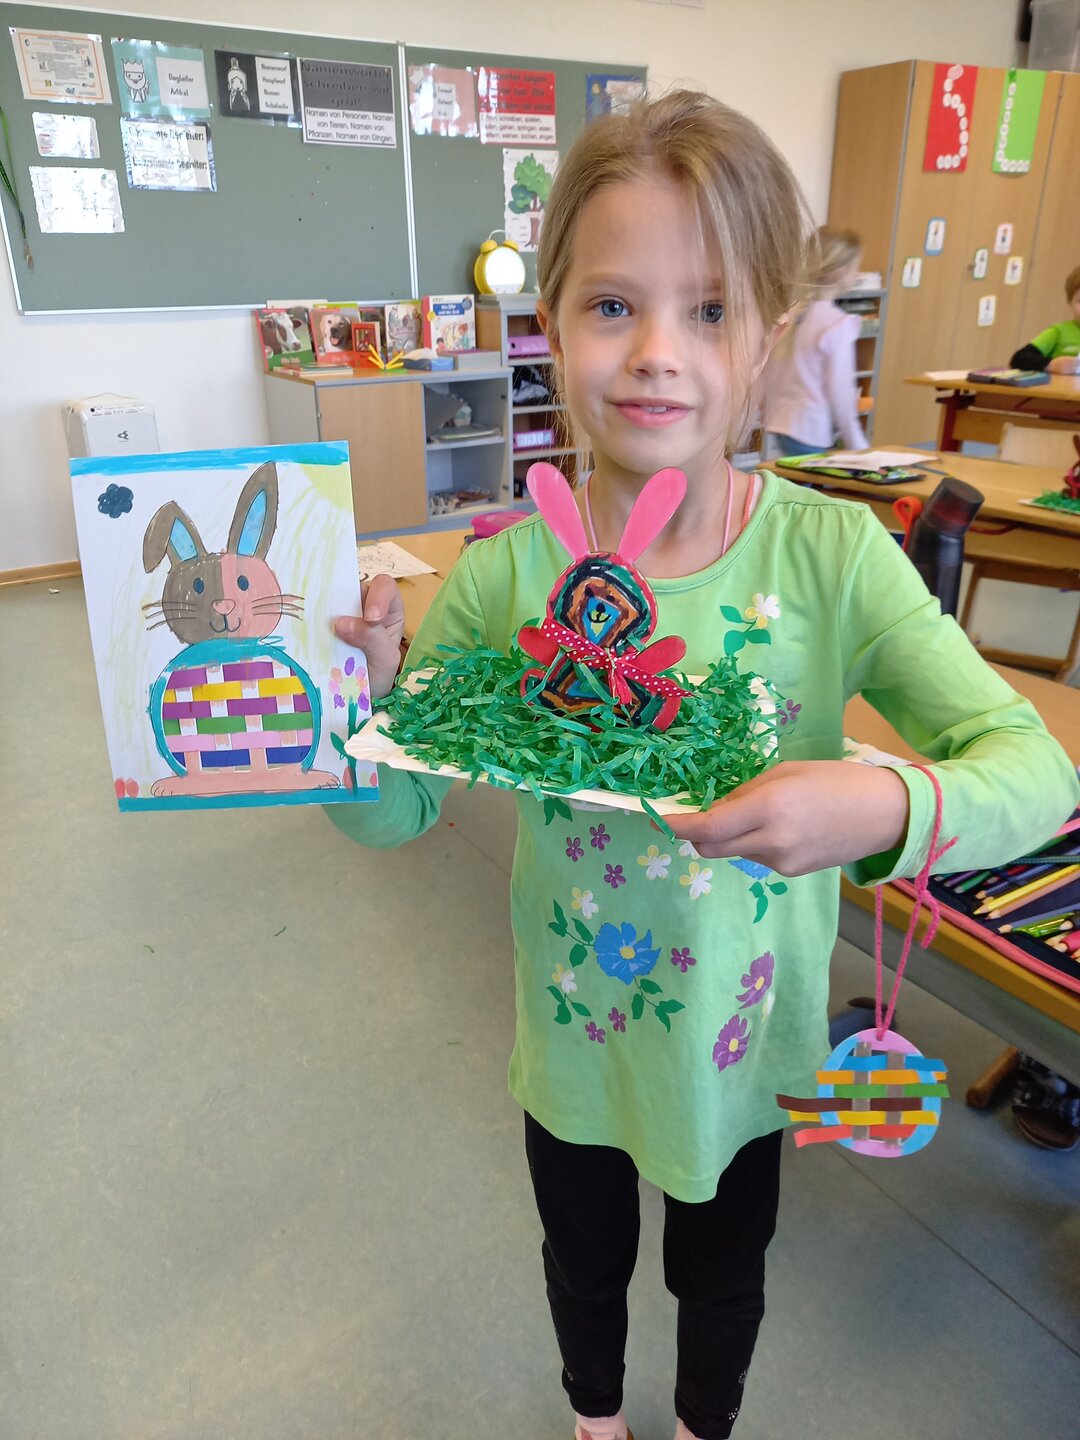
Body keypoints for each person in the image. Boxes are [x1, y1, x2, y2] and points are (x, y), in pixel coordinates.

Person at [328, 92, 1077, 1440]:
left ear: (769, 337)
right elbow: (395, 816)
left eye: (712, 310)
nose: (658, 354)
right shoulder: (505, 576)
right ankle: (596, 1419)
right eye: (614, 305)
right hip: (572, 1046)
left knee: (724, 1279)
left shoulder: (829, 558)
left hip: (748, 1053)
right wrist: (364, 713)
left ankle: (699, 1425)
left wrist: (884, 798)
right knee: (583, 1267)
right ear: (552, 323)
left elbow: (1036, 771)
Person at [763, 226, 867, 457]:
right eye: (856, 267)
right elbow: (841, 396)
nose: (858, 274)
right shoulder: (837, 325)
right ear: (841, 272)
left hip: (783, 426)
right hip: (811, 431)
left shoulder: (795, 315)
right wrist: (859, 447)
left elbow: (772, 375)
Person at [1010, 263, 1080, 374]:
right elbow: (1018, 359)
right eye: (1079, 301)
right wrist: (1050, 365)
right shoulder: (1058, 332)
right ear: (1070, 303)